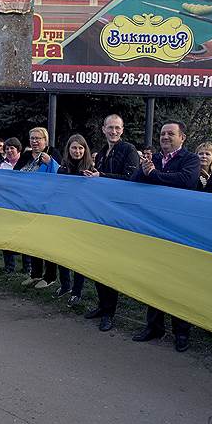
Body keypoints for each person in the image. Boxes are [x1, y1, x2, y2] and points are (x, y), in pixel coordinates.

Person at [131, 121, 200, 351]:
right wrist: (145, 170)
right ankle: (154, 327)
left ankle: (181, 332)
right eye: (162, 133)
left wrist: (154, 174)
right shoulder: (153, 159)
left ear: (182, 137)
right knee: (154, 278)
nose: (165, 137)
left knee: (179, 281)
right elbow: (134, 183)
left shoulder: (190, 159)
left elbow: (185, 181)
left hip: (180, 229)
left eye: (171, 133)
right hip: (154, 227)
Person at [83, 114, 140, 331]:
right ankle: (102, 305)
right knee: (97, 262)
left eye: (117, 128)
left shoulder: (129, 150)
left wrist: (102, 176)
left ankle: (109, 312)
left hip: (118, 216)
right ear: (103, 129)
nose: (113, 131)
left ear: (122, 130)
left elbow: (131, 179)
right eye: (110, 127)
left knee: (110, 265)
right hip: (101, 215)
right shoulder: (101, 153)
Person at [16, 127, 60, 289]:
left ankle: (50, 277)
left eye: (38, 138)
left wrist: (51, 163)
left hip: (47, 207)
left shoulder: (53, 153)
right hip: (29, 206)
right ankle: (35, 274)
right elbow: (14, 175)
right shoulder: (26, 156)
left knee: (47, 241)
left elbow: (62, 174)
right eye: (32, 138)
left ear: (45, 140)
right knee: (32, 240)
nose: (35, 141)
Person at [56, 134, 95, 306]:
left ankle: (77, 291)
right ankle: (65, 285)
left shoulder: (91, 169)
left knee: (79, 256)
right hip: (64, 216)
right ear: (68, 149)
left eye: (80, 148)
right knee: (61, 252)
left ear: (85, 150)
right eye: (74, 147)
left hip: (82, 219)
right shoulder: (62, 169)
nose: (77, 151)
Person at [0, 137, 30, 274]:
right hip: (7, 204)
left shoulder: (27, 163)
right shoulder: (2, 165)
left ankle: (27, 267)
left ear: (18, 149)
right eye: (7, 148)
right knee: (6, 234)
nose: (9, 151)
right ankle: (9, 266)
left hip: (23, 204)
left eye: (12, 148)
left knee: (24, 235)